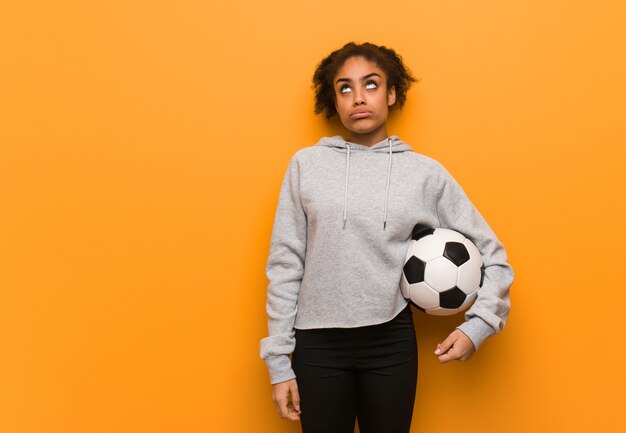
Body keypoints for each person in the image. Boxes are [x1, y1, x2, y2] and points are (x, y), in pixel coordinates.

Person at [260, 42, 514, 433]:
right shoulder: (306, 166)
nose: (358, 97)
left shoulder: (424, 174)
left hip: (390, 342)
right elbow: (285, 264)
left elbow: (493, 256)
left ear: (392, 93)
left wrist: (477, 326)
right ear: (333, 99)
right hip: (317, 346)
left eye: (371, 84)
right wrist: (279, 363)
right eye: (345, 88)